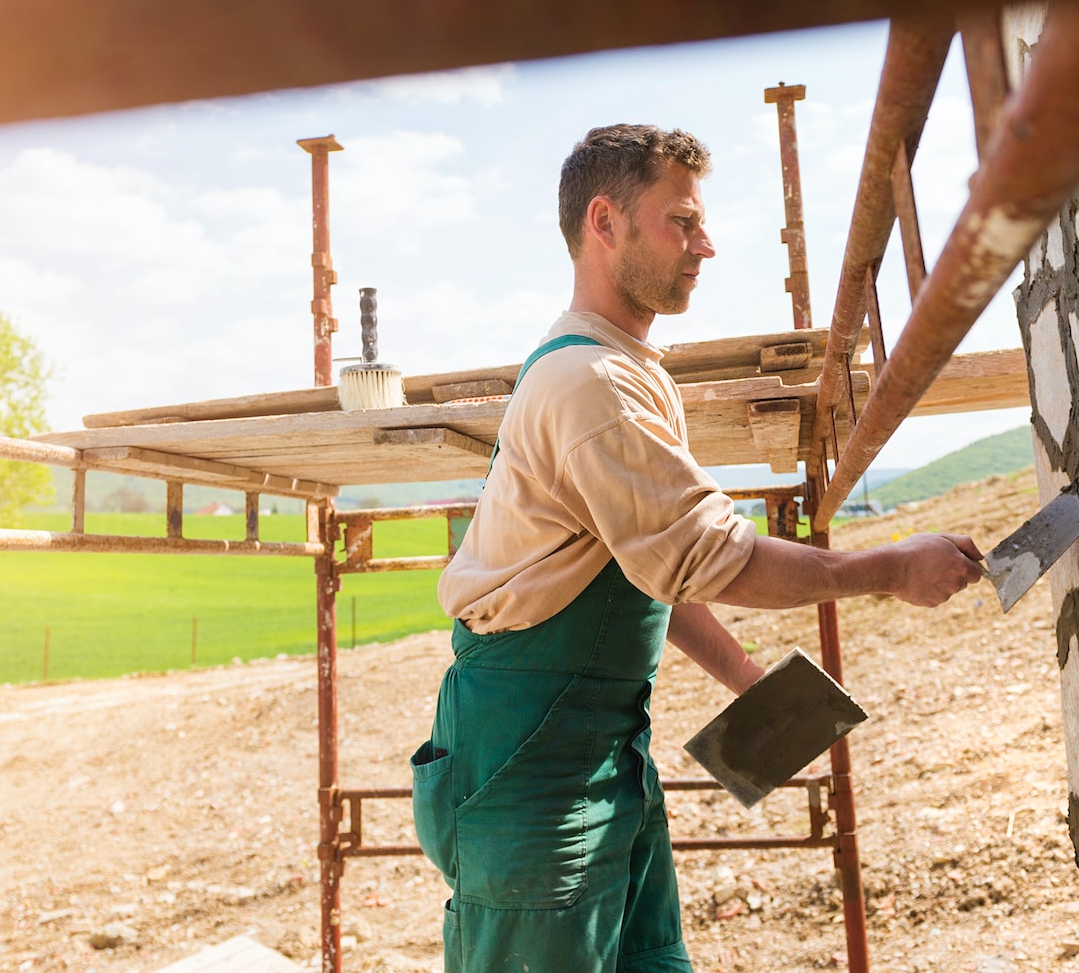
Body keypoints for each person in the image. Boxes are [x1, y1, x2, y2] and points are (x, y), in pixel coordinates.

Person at [413, 124, 985, 973]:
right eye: (681, 221)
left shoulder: (625, 370)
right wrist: (893, 568)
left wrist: (746, 680)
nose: (706, 244)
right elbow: (716, 558)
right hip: (529, 774)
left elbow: (651, 567)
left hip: (603, 754)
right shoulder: (590, 386)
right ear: (605, 224)